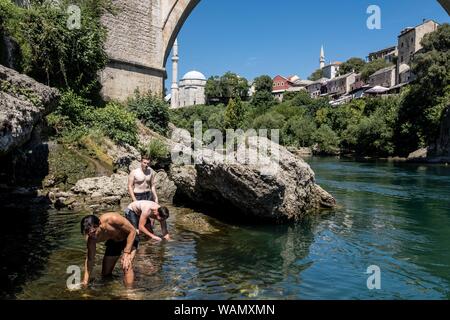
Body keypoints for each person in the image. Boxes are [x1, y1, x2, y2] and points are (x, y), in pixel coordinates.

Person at [80, 213, 138, 287]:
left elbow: (132, 231)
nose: (93, 236)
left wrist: (126, 253)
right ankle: (111, 288)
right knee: (105, 274)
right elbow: (90, 260)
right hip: (114, 242)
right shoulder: (91, 239)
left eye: (94, 232)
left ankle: (130, 292)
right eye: (89, 234)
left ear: (99, 224)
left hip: (129, 238)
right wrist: (85, 282)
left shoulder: (112, 219)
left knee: (126, 264)